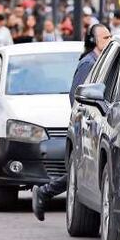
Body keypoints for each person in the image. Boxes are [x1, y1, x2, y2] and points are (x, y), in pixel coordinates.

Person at [31, 24, 112, 221]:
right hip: (87, 125)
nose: (109, 40)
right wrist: (85, 118)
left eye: (110, 36)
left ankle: (44, 192)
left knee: (84, 169)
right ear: (93, 41)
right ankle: (45, 192)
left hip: (94, 124)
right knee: (82, 169)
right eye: (105, 38)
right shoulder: (88, 63)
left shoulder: (101, 61)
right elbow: (78, 95)